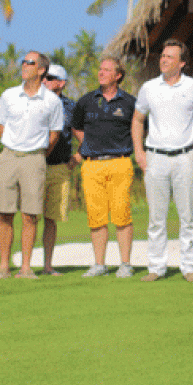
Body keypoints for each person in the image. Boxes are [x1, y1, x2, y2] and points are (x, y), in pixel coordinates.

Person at [132, 39, 193, 282]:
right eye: (163, 56)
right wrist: (139, 153)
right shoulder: (149, 88)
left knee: (188, 217)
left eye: (169, 57)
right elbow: (137, 120)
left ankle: (189, 267)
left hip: (186, 156)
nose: (163, 60)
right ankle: (156, 267)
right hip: (155, 157)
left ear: (182, 63)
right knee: (156, 217)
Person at [0, 51, 63, 279]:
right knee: (5, 212)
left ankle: (25, 267)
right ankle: (3, 266)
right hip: (9, 156)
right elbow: (2, 128)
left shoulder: (52, 101)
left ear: (42, 69)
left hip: (35, 159)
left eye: (29, 62)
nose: (23, 65)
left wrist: (37, 154)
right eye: (23, 61)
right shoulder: (8, 95)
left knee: (30, 215)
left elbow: (54, 135)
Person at [72, 56, 136, 278]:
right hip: (92, 165)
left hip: (120, 162)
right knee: (96, 216)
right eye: (100, 69)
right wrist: (89, 144)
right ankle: (99, 265)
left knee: (121, 214)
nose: (101, 72)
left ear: (118, 76)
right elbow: (77, 127)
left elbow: (139, 129)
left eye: (107, 70)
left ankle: (125, 264)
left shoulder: (130, 102)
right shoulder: (86, 101)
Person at [41, 64, 77, 276]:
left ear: (61, 83)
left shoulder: (71, 106)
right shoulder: (34, 101)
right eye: (44, 77)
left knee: (51, 219)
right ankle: (26, 266)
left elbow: (84, 132)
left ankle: (47, 265)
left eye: (50, 77)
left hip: (60, 167)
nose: (44, 80)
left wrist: (79, 156)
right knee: (30, 217)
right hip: (36, 165)